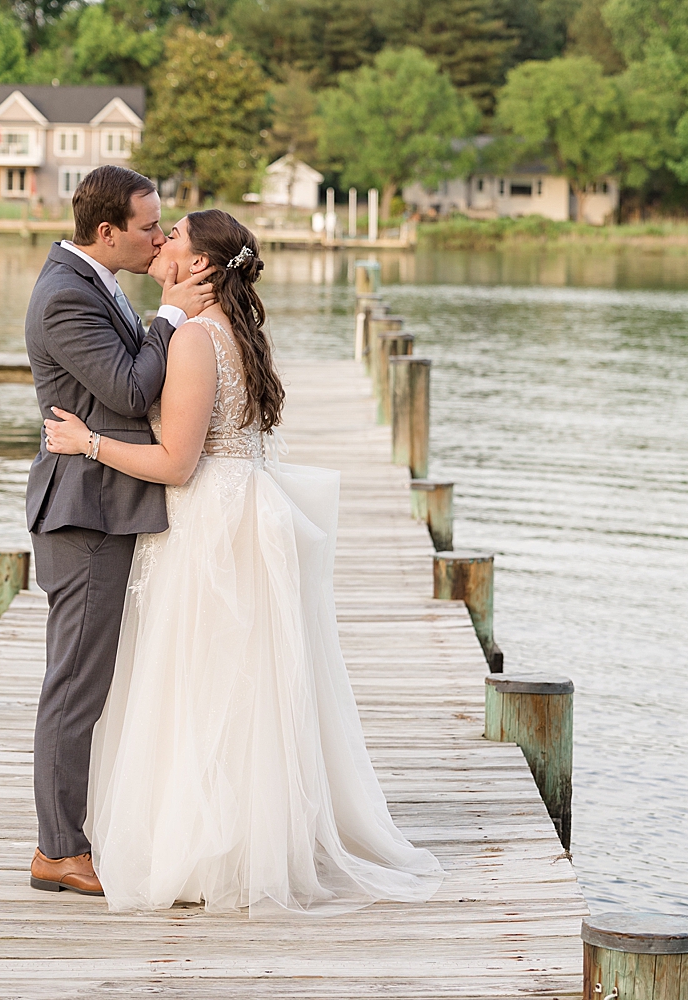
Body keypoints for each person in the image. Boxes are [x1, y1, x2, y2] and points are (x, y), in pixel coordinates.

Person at [42, 209, 444, 913]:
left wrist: (89, 445)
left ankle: (208, 849)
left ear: (200, 266)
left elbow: (175, 462)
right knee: (237, 682)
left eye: (174, 237)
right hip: (241, 508)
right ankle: (239, 834)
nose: (162, 241)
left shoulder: (196, 339)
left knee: (204, 686)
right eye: (157, 229)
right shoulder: (234, 331)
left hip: (210, 522)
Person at [23, 165, 215, 896]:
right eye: (148, 227)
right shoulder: (65, 297)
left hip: (107, 500)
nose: (159, 237)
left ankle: (75, 835)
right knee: (75, 683)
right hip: (86, 509)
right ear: (106, 232)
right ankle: (59, 850)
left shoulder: (93, 284)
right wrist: (169, 317)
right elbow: (132, 388)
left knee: (89, 679)